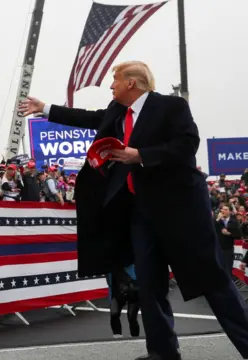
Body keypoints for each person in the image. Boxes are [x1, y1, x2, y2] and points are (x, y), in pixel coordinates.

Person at [19, 60, 248, 360]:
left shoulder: (171, 107)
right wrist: (46, 108)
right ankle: (163, 352)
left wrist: (139, 155)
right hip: (141, 215)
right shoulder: (117, 113)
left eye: (115, 79)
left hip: (180, 213)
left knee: (213, 282)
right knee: (150, 286)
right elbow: (91, 118)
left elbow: (187, 145)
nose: (111, 85)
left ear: (131, 83)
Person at [107, 264, 140, 338]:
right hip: (115, 287)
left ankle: (135, 339)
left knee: (132, 317)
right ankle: (117, 339)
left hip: (133, 285)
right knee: (114, 314)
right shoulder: (108, 260)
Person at [216, 205, 242, 276]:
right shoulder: (217, 220)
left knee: (228, 268)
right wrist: (217, 219)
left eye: (226, 209)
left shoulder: (234, 221)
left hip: (228, 248)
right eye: (222, 209)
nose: (223, 211)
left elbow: (239, 235)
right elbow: (212, 231)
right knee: (219, 268)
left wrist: (229, 234)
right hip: (218, 248)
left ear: (230, 212)